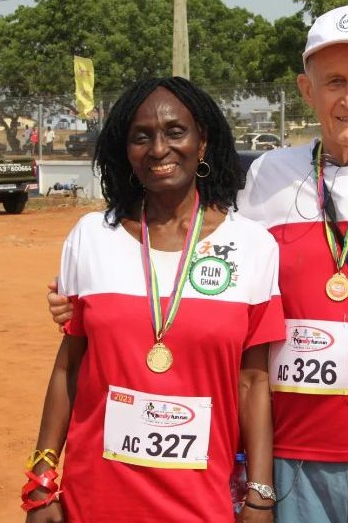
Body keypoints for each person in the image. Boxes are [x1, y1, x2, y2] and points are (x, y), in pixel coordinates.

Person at [49, 5, 348, 522]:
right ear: (306, 89)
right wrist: (85, 297)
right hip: (290, 452)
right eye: (334, 81)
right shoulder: (266, 176)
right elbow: (205, 269)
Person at [26, 77, 285, 523]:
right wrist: (42, 481)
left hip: (202, 502)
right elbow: (69, 366)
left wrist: (260, 494)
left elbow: (254, 382)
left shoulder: (253, 246)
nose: (158, 148)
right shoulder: (91, 237)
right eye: (141, 137)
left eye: (175, 132)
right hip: (97, 500)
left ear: (202, 142)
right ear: (125, 152)